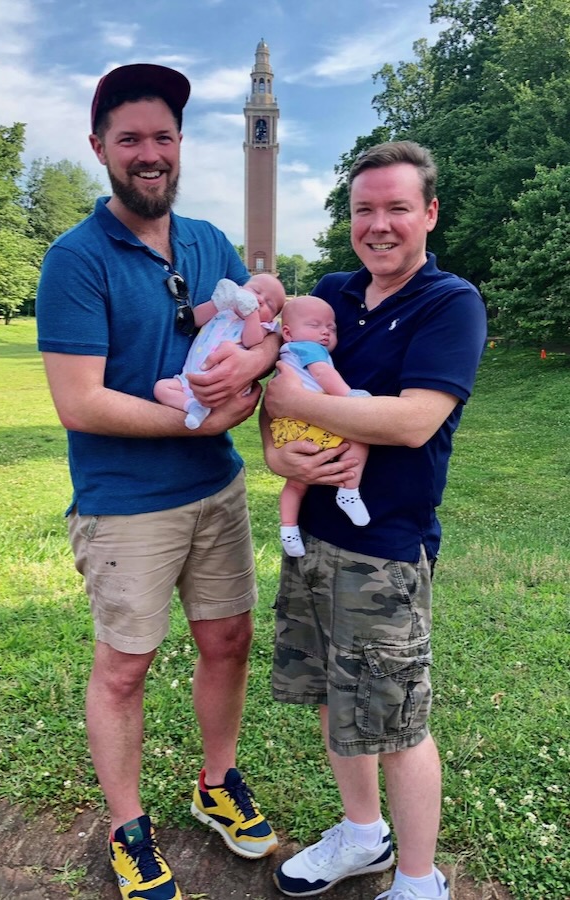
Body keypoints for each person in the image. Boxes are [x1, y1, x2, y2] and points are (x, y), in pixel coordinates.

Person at [36, 63, 280, 900]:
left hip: (214, 491)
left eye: (163, 138)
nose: (150, 154)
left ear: (181, 147)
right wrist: (202, 418)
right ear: (101, 146)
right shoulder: (75, 259)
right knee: (125, 670)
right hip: (126, 506)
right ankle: (127, 828)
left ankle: (217, 784)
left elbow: (261, 334)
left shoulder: (209, 241)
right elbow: (79, 400)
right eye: (131, 138)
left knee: (227, 642)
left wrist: (249, 370)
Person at [261, 141, 487, 900]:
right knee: (335, 698)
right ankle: (363, 837)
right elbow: (275, 394)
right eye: (365, 209)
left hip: (386, 550)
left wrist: (296, 405)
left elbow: (416, 420)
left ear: (428, 213)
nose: (379, 225)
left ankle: (420, 884)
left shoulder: (450, 303)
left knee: (397, 725)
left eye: (397, 207)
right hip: (315, 538)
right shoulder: (331, 295)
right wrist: (277, 453)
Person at [269, 294, 370, 557]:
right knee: (359, 439)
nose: (325, 331)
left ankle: (288, 529)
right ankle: (349, 491)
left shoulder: (287, 351)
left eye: (331, 327)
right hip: (311, 422)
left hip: (287, 427)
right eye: (315, 325)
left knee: (296, 482)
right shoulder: (310, 349)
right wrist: (349, 397)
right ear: (288, 333)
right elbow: (325, 375)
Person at [154, 274, 285, 429]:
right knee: (161, 388)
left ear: (272, 318)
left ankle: (202, 408)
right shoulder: (223, 311)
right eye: (255, 291)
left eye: (269, 305)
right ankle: (192, 407)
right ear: (240, 289)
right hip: (189, 380)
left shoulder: (261, 326)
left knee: (221, 401)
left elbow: (252, 341)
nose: (260, 300)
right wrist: (217, 303)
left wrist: (251, 315)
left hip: (221, 385)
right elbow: (196, 319)